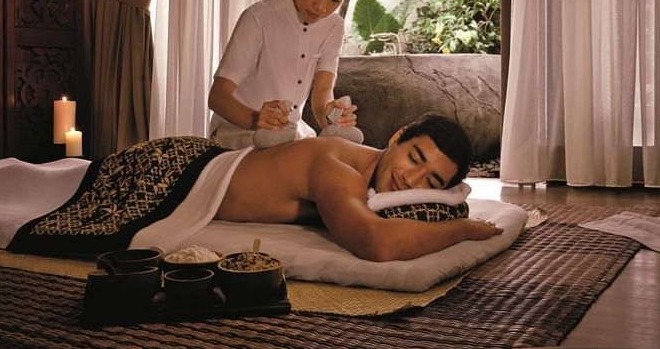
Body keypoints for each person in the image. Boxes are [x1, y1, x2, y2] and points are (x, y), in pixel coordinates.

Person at [215, 112, 502, 262]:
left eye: (430, 182)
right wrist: (464, 229)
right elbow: (378, 243)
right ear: (397, 137)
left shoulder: (367, 180)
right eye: (414, 158)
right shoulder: (338, 168)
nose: (411, 180)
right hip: (192, 172)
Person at [208, 0, 362, 149]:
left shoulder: (334, 26)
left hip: (290, 135)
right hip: (238, 133)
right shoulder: (258, 17)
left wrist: (332, 117)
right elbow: (217, 97)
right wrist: (258, 119)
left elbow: (322, 94)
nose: (321, 7)